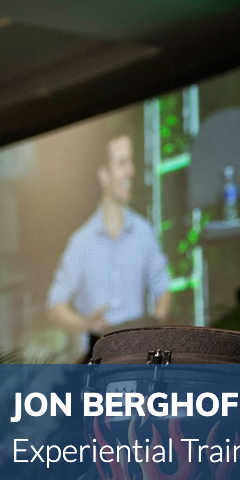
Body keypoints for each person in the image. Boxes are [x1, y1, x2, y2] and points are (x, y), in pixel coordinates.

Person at [47, 133, 171, 359]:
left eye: (131, 162)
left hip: (138, 358)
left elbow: (163, 289)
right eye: (122, 163)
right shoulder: (81, 243)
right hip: (96, 361)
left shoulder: (144, 232)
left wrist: (155, 335)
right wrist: (86, 324)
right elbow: (55, 305)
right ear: (104, 175)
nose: (130, 171)